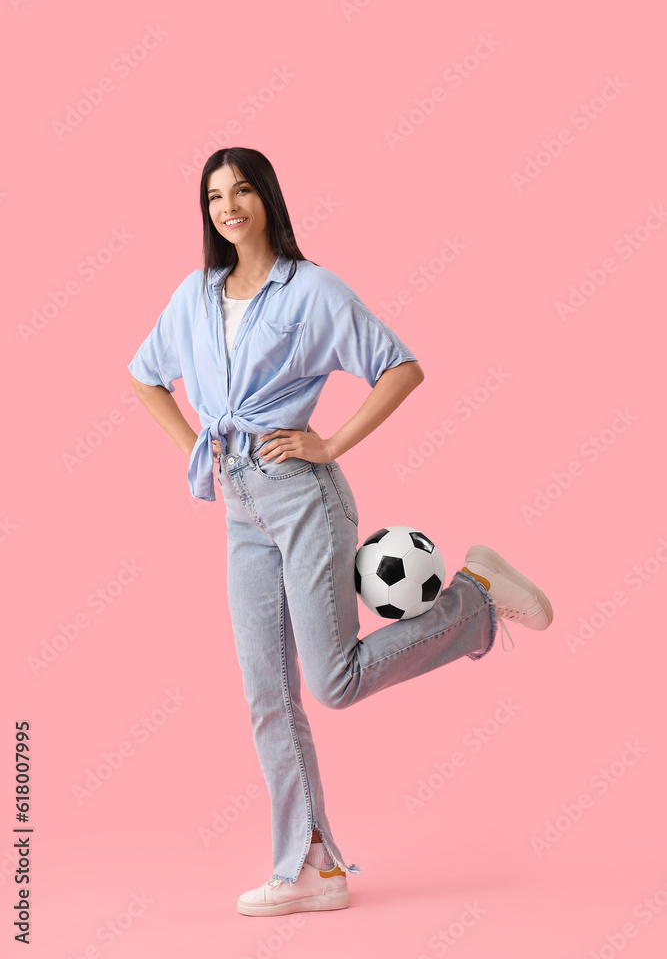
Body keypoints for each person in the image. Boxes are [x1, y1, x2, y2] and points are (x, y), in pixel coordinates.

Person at [127, 147, 553, 918]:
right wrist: (196, 444)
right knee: (266, 695)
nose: (229, 206)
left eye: (243, 190)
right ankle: (313, 866)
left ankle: (476, 596)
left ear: (267, 200)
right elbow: (143, 374)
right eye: (215, 195)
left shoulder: (311, 289)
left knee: (332, 681)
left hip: (302, 495)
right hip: (240, 505)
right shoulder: (194, 295)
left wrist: (328, 441)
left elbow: (399, 366)